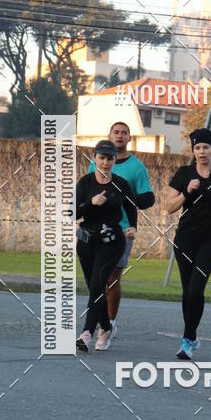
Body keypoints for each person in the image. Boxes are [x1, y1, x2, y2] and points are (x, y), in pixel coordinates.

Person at [167, 128, 211, 359]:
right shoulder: (184, 173)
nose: (202, 151)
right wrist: (186, 192)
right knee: (188, 292)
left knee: (196, 289)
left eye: (206, 147)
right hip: (185, 238)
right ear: (193, 151)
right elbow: (169, 207)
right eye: (197, 148)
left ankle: (187, 340)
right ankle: (192, 337)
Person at [88, 121, 155, 339]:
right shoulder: (95, 162)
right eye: (116, 132)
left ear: (129, 138)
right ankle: (100, 321)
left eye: (124, 133)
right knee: (96, 278)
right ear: (109, 135)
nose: (119, 135)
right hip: (97, 228)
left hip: (123, 229)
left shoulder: (136, 167)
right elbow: (89, 190)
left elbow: (148, 198)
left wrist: (126, 197)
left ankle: (109, 324)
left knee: (112, 278)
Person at [76, 139, 138, 352]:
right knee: (94, 287)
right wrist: (90, 203)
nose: (105, 162)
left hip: (112, 241)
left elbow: (131, 208)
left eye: (110, 158)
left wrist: (133, 227)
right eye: (102, 158)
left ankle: (86, 333)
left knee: (98, 284)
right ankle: (106, 326)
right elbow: (72, 213)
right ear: (95, 158)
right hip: (87, 241)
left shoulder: (121, 184)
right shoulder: (85, 182)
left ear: (115, 160)